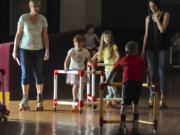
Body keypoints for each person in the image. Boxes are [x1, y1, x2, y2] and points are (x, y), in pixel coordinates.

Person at [105, 41, 151, 134]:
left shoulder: (123, 59)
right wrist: (149, 82)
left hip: (127, 83)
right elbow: (148, 70)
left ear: (126, 52)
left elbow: (114, 70)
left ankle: (122, 124)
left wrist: (107, 81)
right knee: (136, 103)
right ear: (137, 52)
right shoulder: (139, 60)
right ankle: (135, 122)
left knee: (124, 103)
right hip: (138, 82)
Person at [12, 0, 49, 111]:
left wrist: (47, 50)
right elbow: (18, 34)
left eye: (38, 6)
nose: (37, 8)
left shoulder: (42, 19)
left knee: (38, 73)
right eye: (34, 6)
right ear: (30, 6)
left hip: (39, 50)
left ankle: (40, 100)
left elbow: (45, 35)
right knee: (25, 74)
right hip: (24, 49)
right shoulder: (23, 18)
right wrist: (15, 50)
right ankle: (25, 100)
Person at [141, 0, 170, 108]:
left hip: (162, 46)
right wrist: (143, 50)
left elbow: (162, 30)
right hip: (150, 47)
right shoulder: (148, 18)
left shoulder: (166, 14)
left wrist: (157, 19)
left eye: (154, 6)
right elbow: (146, 35)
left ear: (158, 5)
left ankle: (163, 96)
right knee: (152, 71)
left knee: (161, 70)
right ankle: (152, 94)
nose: (152, 8)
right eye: (150, 6)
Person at [64, 34, 96, 112]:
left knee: (82, 85)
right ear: (74, 43)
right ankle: (75, 99)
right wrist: (66, 68)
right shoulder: (72, 50)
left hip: (82, 70)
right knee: (75, 85)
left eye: (80, 43)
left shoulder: (85, 51)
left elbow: (90, 60)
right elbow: (66, 61)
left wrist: (93, 68)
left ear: (83, 43)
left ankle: (79, 97)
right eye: (76, 43)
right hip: (73, 70)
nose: (78, 45)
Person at [93, 30, 120, 106]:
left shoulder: (114, 46)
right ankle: (110, 95)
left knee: (110, 80)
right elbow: (96, 55)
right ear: (103, 39)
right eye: (105, 37)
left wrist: (115, 62)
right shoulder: (102, 48)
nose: (107, 38)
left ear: (111, 38)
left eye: (109, 37)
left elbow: (118, 56)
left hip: (113, 67)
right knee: (107, 82)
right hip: (106, 68)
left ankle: (115, 94)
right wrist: (91, 60)